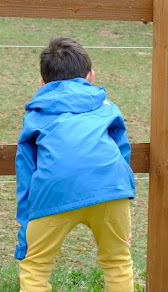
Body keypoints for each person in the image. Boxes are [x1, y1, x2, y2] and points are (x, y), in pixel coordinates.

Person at [14, 37, 136, 292]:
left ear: (42, 83)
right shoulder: (108, 107)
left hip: (53, 193)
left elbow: (25, 168)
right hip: (110, 190)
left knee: (35, 266)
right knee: (118, 262)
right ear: (91, 76)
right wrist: (124, 207)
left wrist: (26, 224)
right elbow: (122, 153)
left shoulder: (36, 114)